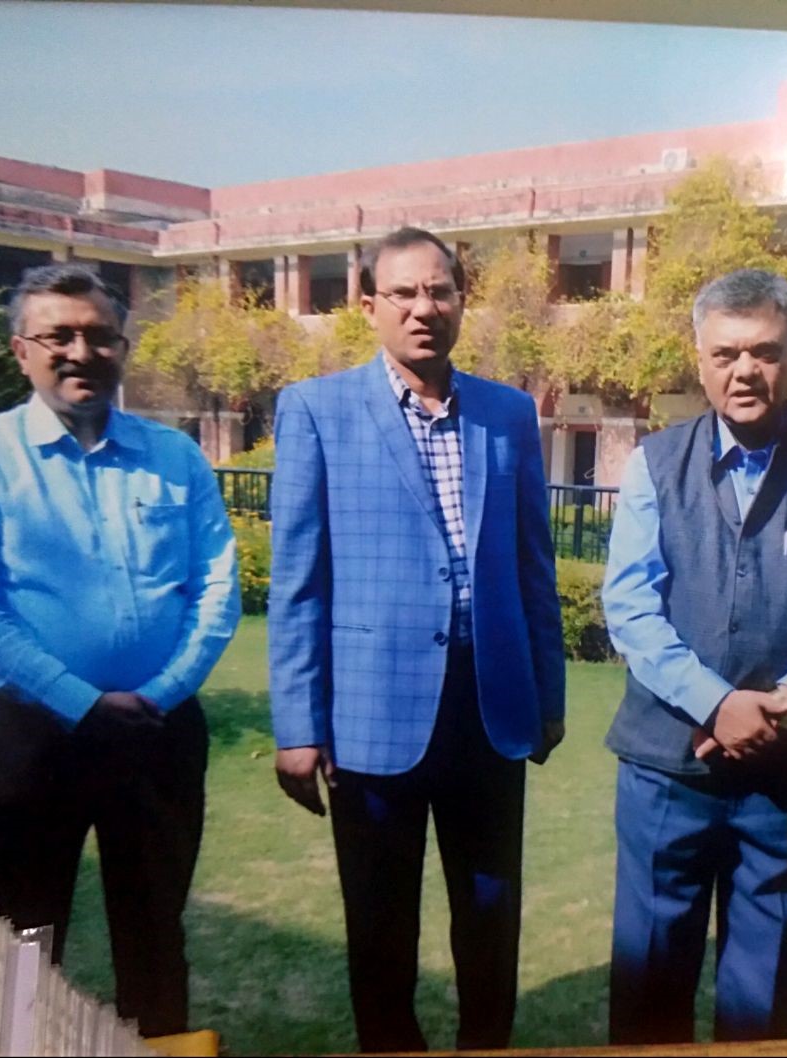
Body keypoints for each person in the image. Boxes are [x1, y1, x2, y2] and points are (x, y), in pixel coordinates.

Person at [0, 263, 241, 1036]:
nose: (80, 352)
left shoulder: (174, 456)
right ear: (20, 351)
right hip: (29, 740)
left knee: (156, 936)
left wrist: (161, 694)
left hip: (158, 734)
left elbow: (216, 585)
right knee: (22, 946)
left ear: (123, 347)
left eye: (99, 336)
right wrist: (80, 703)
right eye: (57, 335)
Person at [268, 226, 566, 1052]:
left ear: (462, 301)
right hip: (371, 717)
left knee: (490, 918)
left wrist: (547, 698)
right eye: (403, 293)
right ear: (369, 306)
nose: (422, 308)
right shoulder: (317, 411)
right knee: (380, 930)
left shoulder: (507, 413)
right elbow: (298, 581)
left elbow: (534, 567)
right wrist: (297, 725)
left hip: (491, 709)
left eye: (439, 291)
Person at [601, 268, 787, 1043]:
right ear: (700, 360)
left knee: (761, 995)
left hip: (784, 776)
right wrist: (716, 703)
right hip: (668, 770)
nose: (745, 371)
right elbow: (631, 606)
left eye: (765, 352)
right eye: (725, 354)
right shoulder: (655, 463)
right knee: (649, 985)